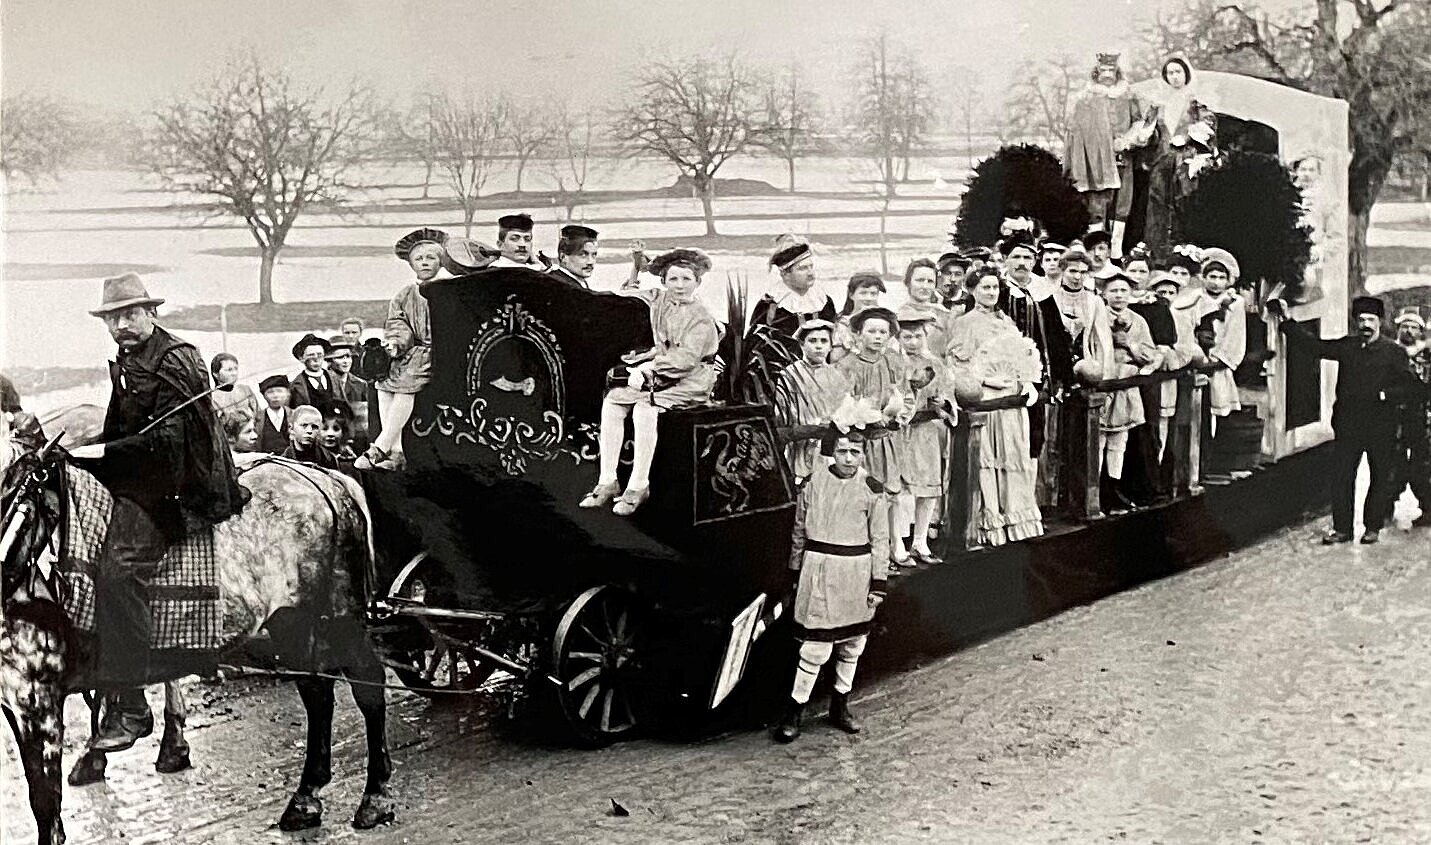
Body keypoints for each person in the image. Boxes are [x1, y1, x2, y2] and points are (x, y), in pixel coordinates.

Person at [66, 273, 247, 752]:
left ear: (151, 313)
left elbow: (170, 444)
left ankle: (130, 703)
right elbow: (118, 426)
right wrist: (78, 451)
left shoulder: (176, 359)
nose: (121, 324)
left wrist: (101, 456)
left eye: (130, 314)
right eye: (112, 318)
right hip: (141, 475)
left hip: (179, 485)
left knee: (118, 572)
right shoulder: (130, 356)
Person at [580, 249, 720, 516]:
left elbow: (686, 359)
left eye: (686, 279)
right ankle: (607, 480)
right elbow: (626, 293)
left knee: (645, 407)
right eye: (673, 279)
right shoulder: (659, 300)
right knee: (614, 400)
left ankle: (638, 485)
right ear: (664, 281)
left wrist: (646, 369)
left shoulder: (700, 316)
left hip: (693, 378)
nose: (679, 286)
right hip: (664, 373)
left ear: (697, 282)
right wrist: (636, 267)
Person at [772, 428, 888, 743]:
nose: (849, 459)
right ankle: (794, 711)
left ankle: (840, 706)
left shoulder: (872, 490)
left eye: (855, 452)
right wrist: (795, 572)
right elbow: (799, 530)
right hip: (819, 568)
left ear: (864, 454)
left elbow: (880, 540)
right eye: (842, 451)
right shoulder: (812, 484)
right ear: (831, 453)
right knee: (815, 648)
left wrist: (878, 582)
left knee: (852, 646)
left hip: (856, 573)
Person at [1268, 295, 1414, 544]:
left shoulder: (1394, 352)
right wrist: (1286, 320)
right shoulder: (1348, 347)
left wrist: (1384, 395)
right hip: (1348, 425)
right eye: (1361, 320)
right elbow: (1314, 346)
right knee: (1342, 476)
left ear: (1380, 322)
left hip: (1381, 426)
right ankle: (1342, 529)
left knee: (1379, 478)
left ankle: (1372, 528)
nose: (1365, 325)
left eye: (1370, 319)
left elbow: (1413, 388)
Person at [948, 266, 1044, 546]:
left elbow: (1021, 356)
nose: (991, 293)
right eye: (985, 288)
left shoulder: (1006, 321)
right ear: (972, 290)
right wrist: (989, 379)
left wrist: (1026, 381)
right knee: (989, 456)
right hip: (988, 398)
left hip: (1012, 400)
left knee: (1013, 453)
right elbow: (958, 367)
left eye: (995, 288)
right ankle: (989, 520)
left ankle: (1016, 517)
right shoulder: (965, 322)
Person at [358, 228, 447, 471]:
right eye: (419, 258)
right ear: (411, 264)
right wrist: (395, 343)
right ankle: (396, 450)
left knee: (406, 380)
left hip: (441, 351)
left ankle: (382, 444)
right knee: (384, 381)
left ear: (441, 261)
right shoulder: (405, 294)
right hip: (412, 352)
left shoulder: (450, 290)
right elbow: (398, 323)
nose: (425, 262)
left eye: (431, 257)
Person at [835, 307, 909, 563]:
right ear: (858, 334)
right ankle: (865, 549)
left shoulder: (893, 361)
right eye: (872, 331)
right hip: (860, 441)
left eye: (883, 332)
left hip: (887, 439)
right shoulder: (847, 365)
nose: (878, 337)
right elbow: (844, 403)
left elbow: (906, 394)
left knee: (892, 493)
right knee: (865, 494)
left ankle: (894, 541)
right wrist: (863, 417)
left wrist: (898, 414)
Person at [995, 232, 1074, 462]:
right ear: (1006, 260)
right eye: (1016, 256)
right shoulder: (997, 289)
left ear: (1035, 261)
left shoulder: (1043, 292)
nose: (1021, 263)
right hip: (1003, 372)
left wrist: (1063, 376)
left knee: (1034, 432)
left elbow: (1056, 337)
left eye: (1027, 257)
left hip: (1037, 373)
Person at [1064, 52, 1152, 255]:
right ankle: (1095, 250)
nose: (1107, 74)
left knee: (1122, 205)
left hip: (1124, 156)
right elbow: (1076, 128)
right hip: (1097, 159)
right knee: (1098, 204)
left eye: (1111, 70)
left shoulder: (1128, 95)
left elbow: (1138, 121)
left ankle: (1116, 252)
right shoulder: (1086, 98)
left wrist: (1128, 139)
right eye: (1103, 70)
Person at [1098, 273, 1162, 511]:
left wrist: (1129, 344)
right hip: (1105, 380)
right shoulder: (1098, 315)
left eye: (1123, 291)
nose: (1118, 295)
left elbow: (1151, 355)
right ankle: (1098, 487)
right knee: (1099, 436)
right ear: (1104, 293)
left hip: (1127, 384)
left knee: (1120, 437)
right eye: (1113, 290)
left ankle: (1115, 487)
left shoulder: (1138, 320)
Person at [1141, 54, 1217, 257]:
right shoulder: (1158, 103)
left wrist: (1188, 136)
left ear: (1186, 74)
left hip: (1187, 159)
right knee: (1157, 201)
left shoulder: (1196, 102)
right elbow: (1147, 129)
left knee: (1184, 200)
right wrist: (1148, 136)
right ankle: (1156, 251)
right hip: (1162, 158)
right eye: (1170, 73)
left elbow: (1209, 126)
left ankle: (1185, 249)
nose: (1174, 77)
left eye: (1178, 72)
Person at [895, 310, 951, 564]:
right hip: (899, 432)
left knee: (927, 487)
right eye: (907, 337)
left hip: (925, 431)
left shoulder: (934, 364)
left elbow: (947, 395)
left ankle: (920, 541)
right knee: (897, 488)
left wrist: (942, 402)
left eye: (918, 336)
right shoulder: (892, 363)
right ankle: (897, 543)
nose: (913, 342)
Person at [777, 319, 851, 483]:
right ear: (802, 345)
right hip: (800, 445)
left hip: (832, 445)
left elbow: (846, 409)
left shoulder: (837, 375)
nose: (819, 346)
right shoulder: (790, 374)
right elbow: (782, 413)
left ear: (831, 345)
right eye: (812, 341)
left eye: (824, 341)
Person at [751, 240, 839, 344]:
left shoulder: (824, 301)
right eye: (803, 269)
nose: (810, 273)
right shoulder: (771, 306)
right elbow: (756, 345)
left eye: (811, 266)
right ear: (785, 274)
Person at [1393, 306, 1431, 527]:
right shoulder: (1390, 352)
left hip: (1421, 418)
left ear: (1420, 331)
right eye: (1404, 326)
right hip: (1393, 417)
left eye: (1413, 327)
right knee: (1389, 464)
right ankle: (1383, 507)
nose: (1408, 330)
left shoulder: (1427, 355)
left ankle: (1427, 508)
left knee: (1422, 465)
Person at [899, 258, 953, 358]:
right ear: (908, 282)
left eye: (930, 281)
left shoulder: (944, 316)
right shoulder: (899, 317)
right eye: (920, 280)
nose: (925, 286)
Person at [831, 271, 888, 363]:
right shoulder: (842, 324)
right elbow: (835, 359)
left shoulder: (885, 321)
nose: (869, 298)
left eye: (873, 294)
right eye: (863, 293)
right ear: (851, 295)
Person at [288, 333, 341, 410]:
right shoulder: (296, 385)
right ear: (301, 358)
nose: (316, 359)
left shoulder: (335, 378)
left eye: (319, 355)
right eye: (311, 355)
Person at [208, 352, 260, 425]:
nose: (234, 373)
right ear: (216, 374)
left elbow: (258, 416)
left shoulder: (245, 390)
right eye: (229, 370)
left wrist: (251, 417)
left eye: (236, 369)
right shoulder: (212, 397)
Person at [282, 404, 338, 469]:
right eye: (304, 425)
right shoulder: (284, 462)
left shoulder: (328, 459)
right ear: (291, 429)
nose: (309, 431)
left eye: (314, 427)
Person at [549, 224, 598, 289]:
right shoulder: (557, 284)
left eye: (594, 255)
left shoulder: (578, 282)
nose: (590, 262)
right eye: (583, 255)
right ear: (563, 257)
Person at [325, 337, 368, 408]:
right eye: (340, 357)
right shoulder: (323, 383)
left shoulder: (360, 384)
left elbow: (363, 413)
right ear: (329, 360)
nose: (345, 361)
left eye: (348, 357)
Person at [255, 374, 293, 454]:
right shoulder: (256, 419)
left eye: (279, 391)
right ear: (264, 396)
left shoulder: (294, 415)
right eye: (270, 392)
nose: (275, 396)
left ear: (287, 393)